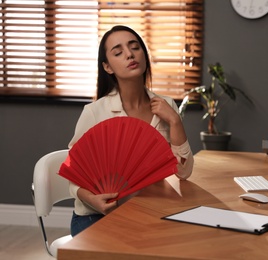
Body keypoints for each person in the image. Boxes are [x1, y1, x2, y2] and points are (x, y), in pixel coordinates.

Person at [68, 25, 194, 236]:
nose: (129, 54)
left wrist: (175, 121)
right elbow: (74, 172)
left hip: (146, 211)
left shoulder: (167, 105)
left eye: (135, 47)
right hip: (96, 216)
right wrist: (92, 200)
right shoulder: (94, 112)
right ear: (108, 67)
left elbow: (183, 173)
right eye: (118, 52)